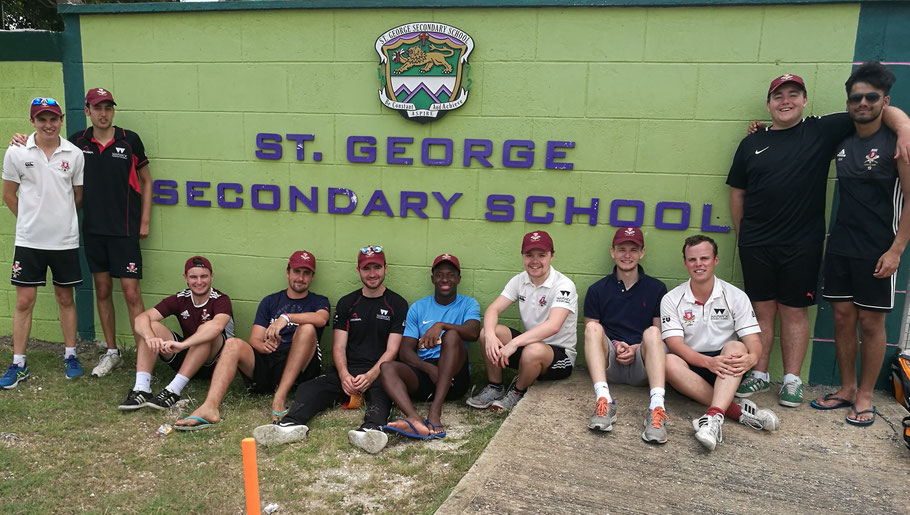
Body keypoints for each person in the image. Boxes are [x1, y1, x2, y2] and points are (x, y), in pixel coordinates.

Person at [727, 73, 910, 407]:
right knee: (762, 311)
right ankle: (760, 375)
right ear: (769, 104)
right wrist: (744, 236)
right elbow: (738, 192)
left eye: (793, 95)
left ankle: (793, 381)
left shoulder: (821, 129)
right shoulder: (751, 142)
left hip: (802, 244)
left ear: (804, 101)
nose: (786, 101)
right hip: (756, 243)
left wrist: (906, 128)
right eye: (778, 96)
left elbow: (879, 110)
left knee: (794, 312)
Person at [11, 88, 152, 377]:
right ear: (87, 111)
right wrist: (20, 138)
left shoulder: (129, 140)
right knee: (101, 290)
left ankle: (143, 359)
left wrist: (145, 221)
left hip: (125, 229)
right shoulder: (78, 142)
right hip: (93, 230)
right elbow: (43, 146)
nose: (103, 113)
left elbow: (146, 181)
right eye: (97, 108)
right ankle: (112, 352)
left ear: (113, 110)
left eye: (108, 108)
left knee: (131, 293)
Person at [810, 62, 910, 426]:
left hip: (878, 249)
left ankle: (865, 395)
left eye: (871, 97)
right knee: (841, 319)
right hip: (841, 246)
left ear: (885, 100)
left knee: (871, 323)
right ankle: (847, 388)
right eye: (856, 97)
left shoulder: (898, 141)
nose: (862, 103)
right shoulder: (843, 136)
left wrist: (896, 249)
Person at [252, 245, 408, 454]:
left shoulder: (397, 304)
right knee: (310, 388)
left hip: (379, 370)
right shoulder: (347, 303)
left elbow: (392, 350)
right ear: (358, 270)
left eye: (377, 268)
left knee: (383, 392)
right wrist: (344, 375)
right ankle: (289, 425)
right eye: (366, 268)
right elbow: (339, 347)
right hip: (347, 369)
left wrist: (370, 376)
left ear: (385, 268)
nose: (372, 274)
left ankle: (370, 430)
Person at [174, 250, 330, 430]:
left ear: (312, 276)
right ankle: (209, 407)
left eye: (306, 273)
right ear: (288, 272)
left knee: (308, 328)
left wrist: (287, 318)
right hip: (270, 361)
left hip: (301, 367)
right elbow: (254, 339)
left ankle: (279, 397)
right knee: (233, 344)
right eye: (296, 272)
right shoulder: (270, 301)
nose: (301, 278)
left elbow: (321, 319)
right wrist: (264, 347)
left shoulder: (318, 301)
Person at [662, 235, 780, 452]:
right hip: (692, 364)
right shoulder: (671, 298)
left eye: (704, 258)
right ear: (685, 263)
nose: (699, 264)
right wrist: (707, 362)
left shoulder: (735, 296)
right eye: (692, 260)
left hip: (726, 367)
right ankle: (736, 412)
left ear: (716, 260)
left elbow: (753, 340)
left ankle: (713, 416)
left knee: (737, 348)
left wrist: (753, 357)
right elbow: (675, 344)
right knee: (667, 361)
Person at [0, 97, 84, 388]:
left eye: (53, 119)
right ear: (32, 121)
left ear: (61, 119)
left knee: (65, 298)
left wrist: (58, 219)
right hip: (29, 242)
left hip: (64, 242)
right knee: (25, 301)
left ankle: (71, 355)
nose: (48, 124)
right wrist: (29, 221)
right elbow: (9, 194)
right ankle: (18, 363)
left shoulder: (73, 154)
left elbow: (77, 196)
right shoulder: (16, 151)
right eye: (41, 119)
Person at [466, 230, 577, 412]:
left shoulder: (564, 285)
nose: (535, 261)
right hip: (529, 346)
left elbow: (553, 325)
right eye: (529, 255)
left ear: (552, 256)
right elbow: (493, 309)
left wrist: (515, 343)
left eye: (541, 255)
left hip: (558, 357)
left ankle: (518, 392)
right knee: (488, 332)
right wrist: (492, 337)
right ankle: (495, 386)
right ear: (523, 256)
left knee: (533, 349)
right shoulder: (520, 280)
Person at [379, 253, 480, 443]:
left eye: (450, 274)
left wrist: (441, 325)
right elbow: (405, 351)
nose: (445, 279)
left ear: (458, 278)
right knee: (387, 367)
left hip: (454, 377)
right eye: (440, 274)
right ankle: (414, 419)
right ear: (432, 278)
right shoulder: (418, 307)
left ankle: (435, 411)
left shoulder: (468, 304)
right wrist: (429, 369)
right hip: (425, 373)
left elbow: (473, 333)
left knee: (451, 336)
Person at [583, 227, 670, 443]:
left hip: (642, 363)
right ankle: (604, 401)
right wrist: (617, 344)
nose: (627, 255)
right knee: (593, 328)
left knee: (652, 332)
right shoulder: (597, 289)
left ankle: (656, 408)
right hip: (610, 363)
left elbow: (659, 334)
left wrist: (635, 348)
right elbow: (592, 335)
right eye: (622, 249)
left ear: (642, 252)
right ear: (612, 252)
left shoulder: (657, 288)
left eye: (633, 249)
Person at [118, 256, 234, 410]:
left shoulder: (221, 299)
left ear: (212, 276)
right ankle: (142, 388)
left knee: (206, 330)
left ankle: (173, 390)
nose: (199, 282)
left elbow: (217, 327)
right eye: (193, 277)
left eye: (204, 276)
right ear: (185, 278)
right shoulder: (181, 298)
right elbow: (140, 318)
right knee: (150, 325)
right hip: (188, 356)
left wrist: (182, 345)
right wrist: (150, 337)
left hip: (213, 363)